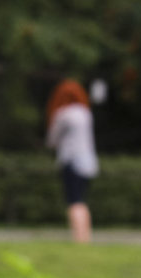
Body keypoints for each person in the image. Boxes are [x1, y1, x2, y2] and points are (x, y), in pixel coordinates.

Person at [46, 79, 98, 243]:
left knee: (74, 201)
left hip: (71, 161)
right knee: (82, 201)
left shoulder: (63, 114)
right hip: (89, 162)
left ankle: (78, 238)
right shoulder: (85, 113)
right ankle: (86, 237)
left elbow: (52, 140)